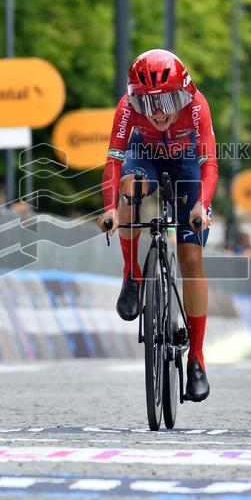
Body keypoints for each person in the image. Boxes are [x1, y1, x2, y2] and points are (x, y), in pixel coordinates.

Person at [98, 49, 217, 403]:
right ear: (136, 100)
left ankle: (196, 357)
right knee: (131, 189)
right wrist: (110, 210)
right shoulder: (126, 107)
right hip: (144, 155)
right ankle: (132, 274)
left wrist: (201, 205)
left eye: (168, 101)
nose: (161, 112)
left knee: (192, 259)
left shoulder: (198, 107)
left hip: (188, 165)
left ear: (183, 93)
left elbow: (209, 164)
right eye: (149, 105)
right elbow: (112, 161)